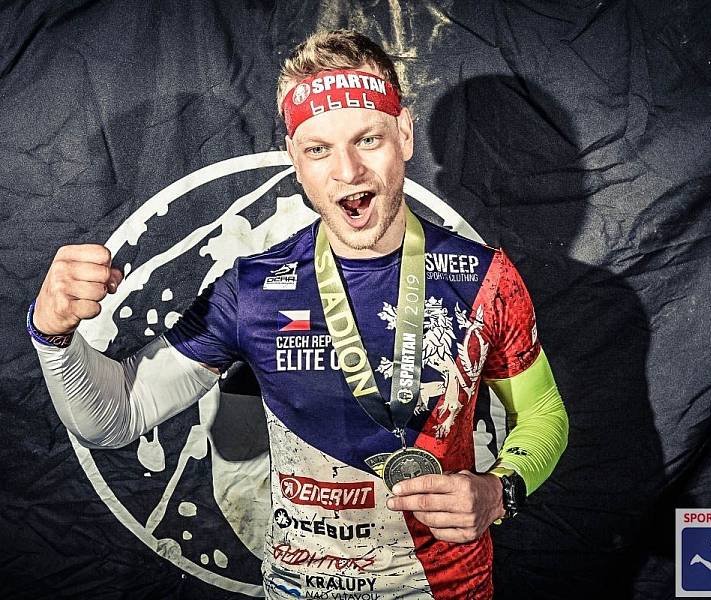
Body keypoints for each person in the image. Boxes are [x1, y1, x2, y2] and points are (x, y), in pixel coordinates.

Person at [27, 29, 568, 599]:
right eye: (319, 149)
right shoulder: (253, 289)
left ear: (403, 135)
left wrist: (501, 489)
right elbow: (117, 417)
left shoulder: (484, 278)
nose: (349, 171)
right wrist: (52, 336)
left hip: (444, 586)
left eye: (368, 139)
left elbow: (542, 412)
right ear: (295, 161)